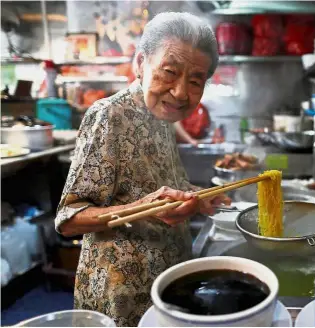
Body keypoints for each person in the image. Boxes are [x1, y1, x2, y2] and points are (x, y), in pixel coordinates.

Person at [55, 12, 230, 326]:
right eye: (169, 72)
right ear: (140, 63)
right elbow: (68, 220)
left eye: (195, 81)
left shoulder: (161, 116)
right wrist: (142, 208)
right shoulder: (110, 114)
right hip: (121, 296)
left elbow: (157, 183)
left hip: (164, 284)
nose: (180, 92)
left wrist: (194, 198)